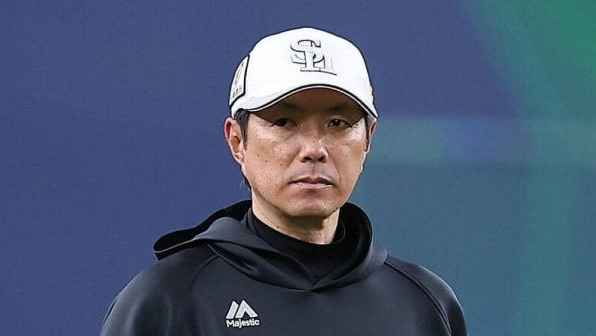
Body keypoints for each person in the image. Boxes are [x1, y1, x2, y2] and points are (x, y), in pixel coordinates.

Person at [100, 27, 467, 335]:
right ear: (237, 142)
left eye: (337, 123)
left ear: (368, 140)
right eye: (284, 122)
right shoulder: (168, 302)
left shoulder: (423, 305)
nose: (314, 149)